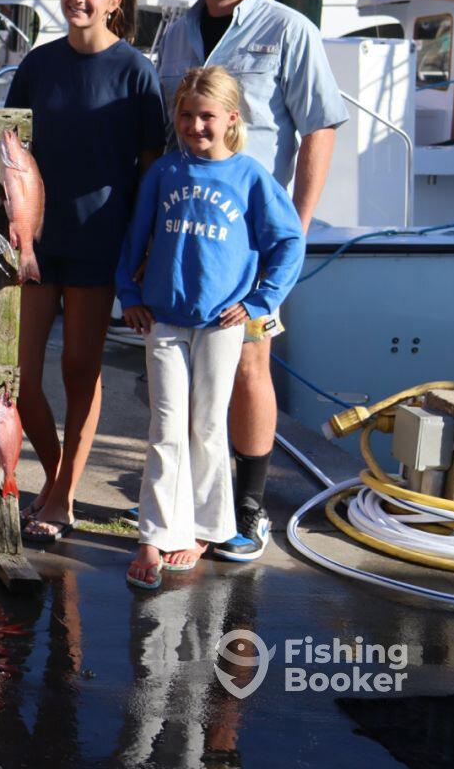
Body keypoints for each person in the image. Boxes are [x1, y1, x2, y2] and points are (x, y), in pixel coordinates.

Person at [154, 0, 348, 561]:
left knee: (249, 367)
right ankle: (187, 506)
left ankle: (246, 510)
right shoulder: (175, 33)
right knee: (185, 378)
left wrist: (297, 221)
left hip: (250, 240)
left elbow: (319, 126)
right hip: (186, 233)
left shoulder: (288, 30)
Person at [116, 66, 304, 589]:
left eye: (206, 116)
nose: (195, 125)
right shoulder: (166, 173)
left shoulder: (250, 177)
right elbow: (137, 236)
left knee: (206, 427)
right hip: (164, 319)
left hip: (224, 322)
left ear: (230, 119)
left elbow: (288, 242)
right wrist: (129, 295)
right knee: (166, 427)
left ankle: (203, 527)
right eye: (186, 115)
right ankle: (153, 534)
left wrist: (261, 300)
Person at [4, 0, 167, 543]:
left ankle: (63, 495)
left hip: (102, 242)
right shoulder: (38, 64)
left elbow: (153, 170)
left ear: (115, 2)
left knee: (79, 369)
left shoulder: (135, 72)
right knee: (19, 378)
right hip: (36, 242)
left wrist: (144, 247)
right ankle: (58, 483)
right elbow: (10, 151)